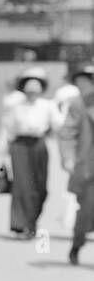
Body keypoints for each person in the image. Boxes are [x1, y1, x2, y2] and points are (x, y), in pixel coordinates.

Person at [0, 66, 61, 239]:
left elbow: (59, 125)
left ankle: (32, 221)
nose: (32, 93)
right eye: (29, 89)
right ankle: (20, 224)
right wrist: (4, 153)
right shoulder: (16, 107)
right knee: (22, 185)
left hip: (38, 146)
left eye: (36, 89)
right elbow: (8, 129)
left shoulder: (48, 106)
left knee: (39, 186)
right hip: (19, 146)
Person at [59, 64, 94, 265]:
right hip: (89, 166)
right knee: (87, 209)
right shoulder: (79, 104)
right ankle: (77, 245)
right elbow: (67, 133)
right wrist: (68, 157)